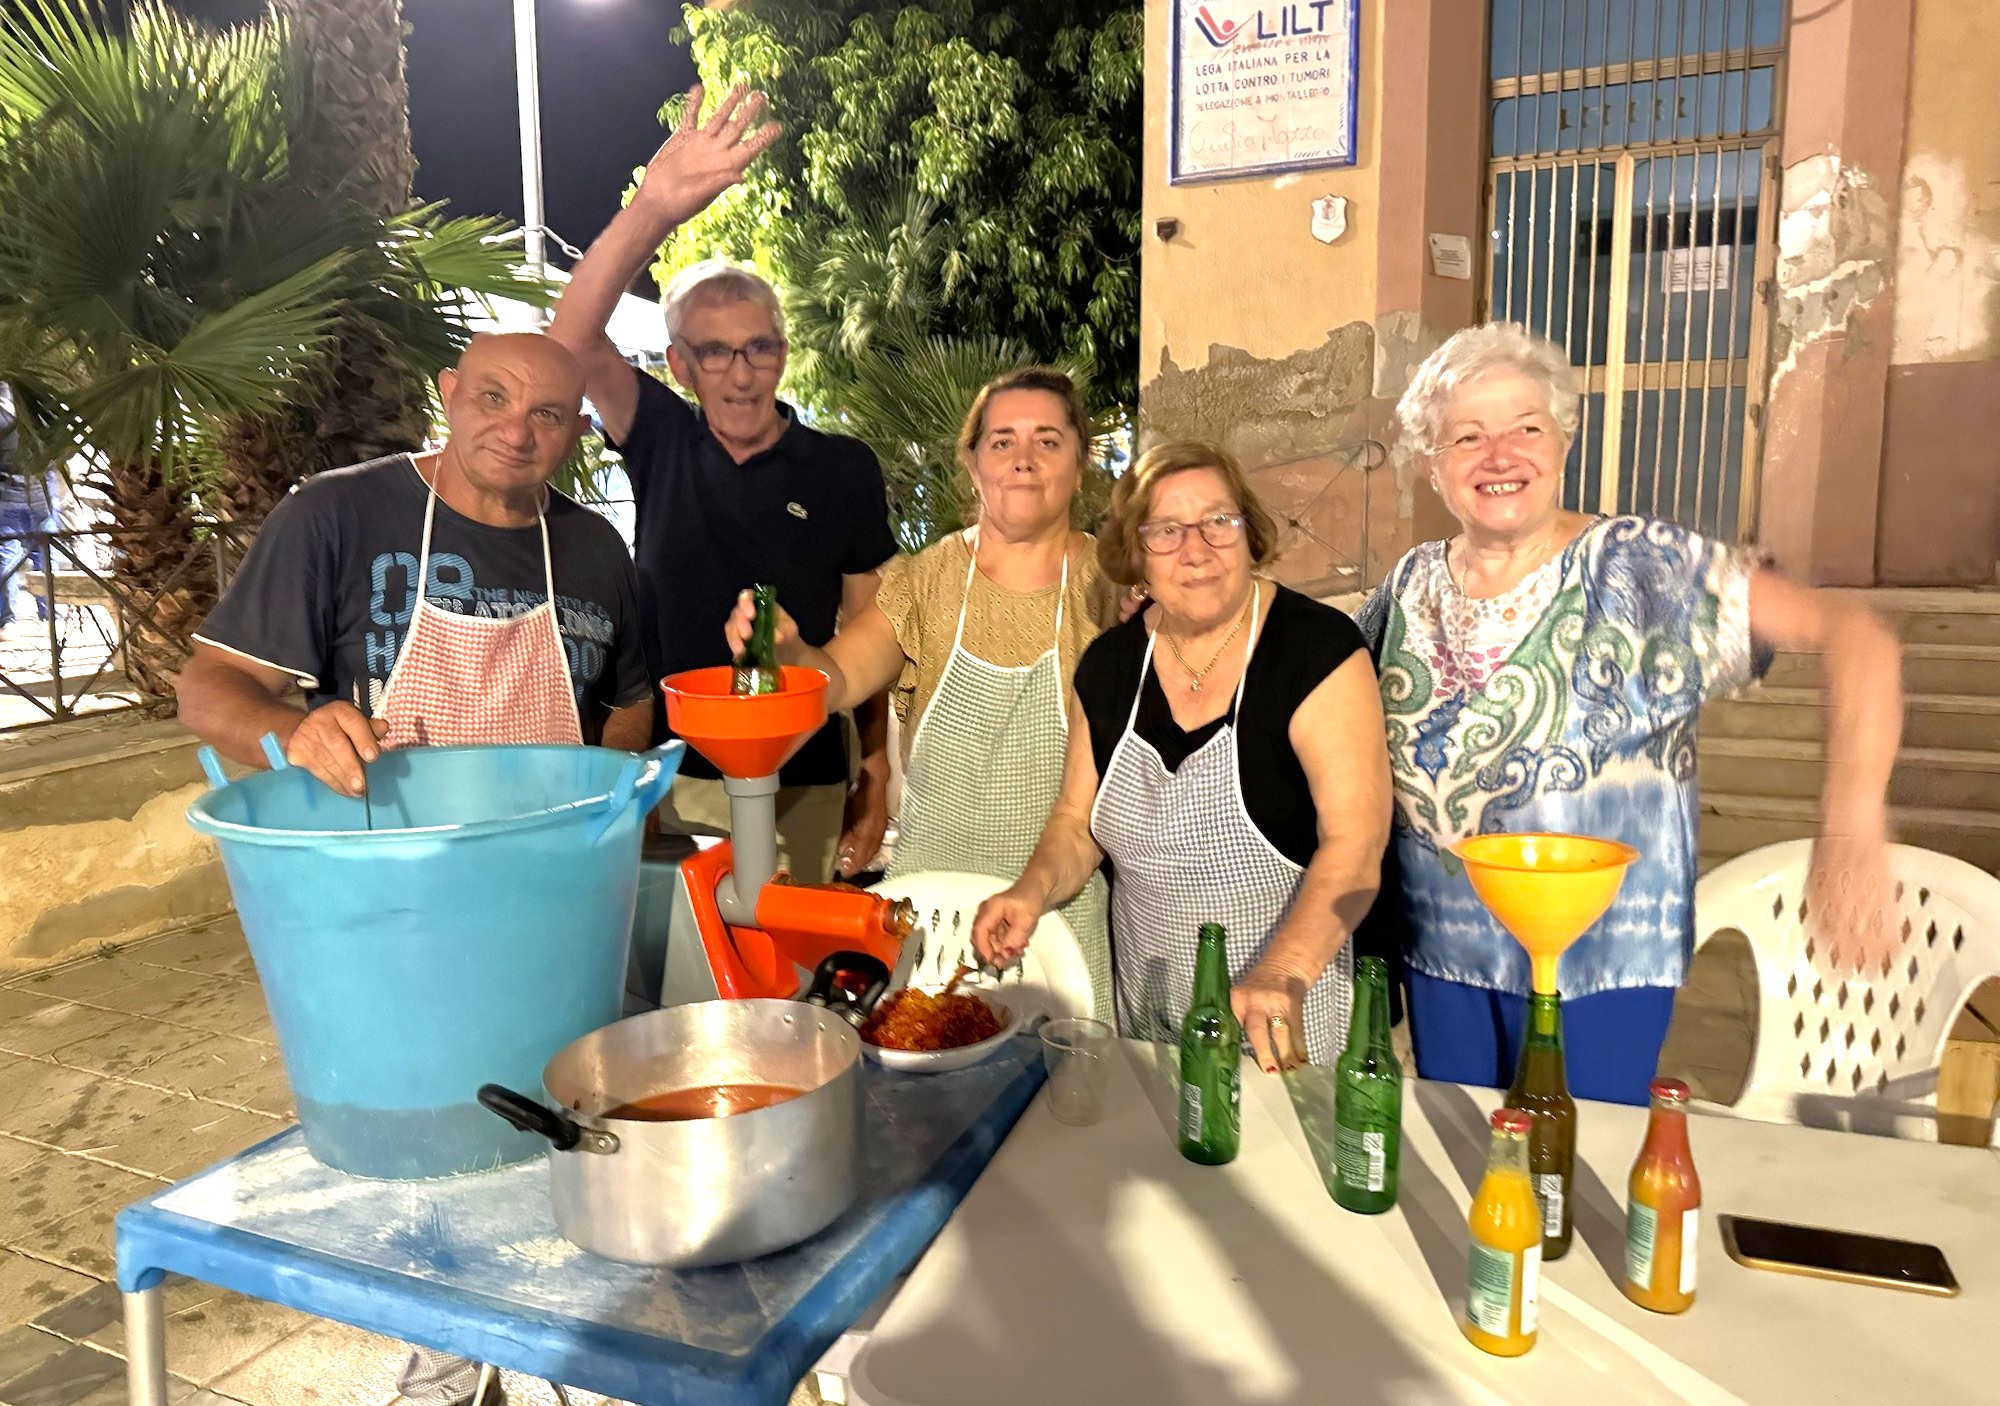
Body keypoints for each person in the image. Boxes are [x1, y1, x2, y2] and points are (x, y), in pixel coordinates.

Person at [178, 332, 650, 1406]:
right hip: (388, 907)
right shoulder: (339, 515)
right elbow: (209, 686)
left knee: (555, 1130)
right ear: (448, 393)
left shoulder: (592, 549)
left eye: (546, 415)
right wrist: (291, 731)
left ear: (576, 433)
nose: (515, 430)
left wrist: (605, 800)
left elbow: (628, 705)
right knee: (427, 1151)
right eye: (492, 398)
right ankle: (445, 1359)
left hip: (549, 902)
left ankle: (561, 1347)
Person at [1357, 322, 1904, 1106]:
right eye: (1467, 436)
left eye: (1526, 428)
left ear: (1563, 441)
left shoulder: (1642, 565)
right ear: (1430, 464)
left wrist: (1852, 826)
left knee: (1580, 1162)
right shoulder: (1410, 585)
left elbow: (1858, 638)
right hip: (1443, 955)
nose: (1500, 456)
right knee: (1463, 1151)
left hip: (1601, 963)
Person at [550, 83, 898, 883]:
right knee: (674, 949)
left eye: (759, 348)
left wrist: (876, 773)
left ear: (782, 353)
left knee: (786, 951)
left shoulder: (843, 468)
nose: (741, 375)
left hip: (805, 774)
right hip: (670, 774)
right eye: (715, 352)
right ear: (680, 363)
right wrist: (653, 210)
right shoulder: (659, 435)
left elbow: (868, 631)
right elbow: (568, 342)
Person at [973, 441, 1391, 1071]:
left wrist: (1284, 969)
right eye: (1166, 531)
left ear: (1249, 531)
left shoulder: (1315, 650)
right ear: (1137, 553)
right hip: (1149, 1024)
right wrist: (1030, 892)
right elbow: (1076, 822)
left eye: (1218, 521)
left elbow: (1357, 842)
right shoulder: (1110, 668)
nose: (1196, 550)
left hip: (1286, 1018)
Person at [725, 367, 1123, 1017]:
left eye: (1048, 441)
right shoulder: (930, 579)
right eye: (1002, 441)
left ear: (1079, 466)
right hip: (928, 917)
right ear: (973, 464)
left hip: (1056, 920)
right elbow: (838, 680)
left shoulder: (1114, 591)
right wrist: (788, 652)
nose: (1023, 459)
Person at [0, 380, 61, 639]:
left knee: (11, 558)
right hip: (34, 498)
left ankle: (13, 620)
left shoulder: (32, 418)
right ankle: (48, 615)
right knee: (43, 557)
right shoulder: (41, 416)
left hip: (19, 500)